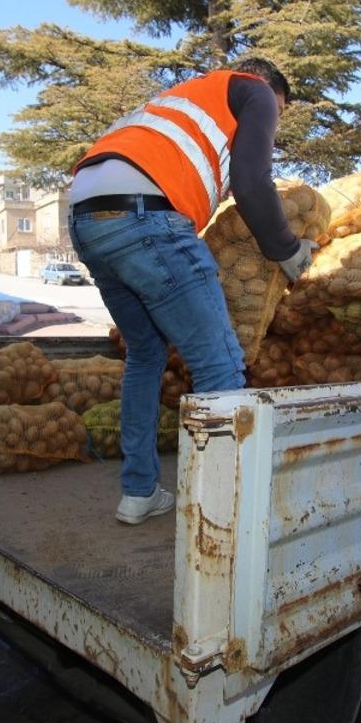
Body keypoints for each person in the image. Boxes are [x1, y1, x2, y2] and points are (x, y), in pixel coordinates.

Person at [68, 57, 317, 525]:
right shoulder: (252, 90)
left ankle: (139, 492)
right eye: (279, 112)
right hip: (144, 217)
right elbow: (252, 183)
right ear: (268, 88)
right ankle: (221, 516)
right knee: (219, 366)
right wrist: (287, 249)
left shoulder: (178, 100)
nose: (274, 123)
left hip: (87, 220)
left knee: (145, 355)